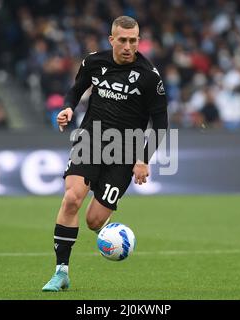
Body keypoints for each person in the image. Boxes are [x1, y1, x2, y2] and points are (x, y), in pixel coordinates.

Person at [42, 16, 168, 292]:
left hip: (124, 154)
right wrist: (67, 108)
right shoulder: (93, 62)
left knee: (93, 221)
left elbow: (160, 125)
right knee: (72, 198)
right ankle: (61, 272)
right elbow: (75, 90)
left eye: (133, 40)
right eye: (122, 40)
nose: (127, 46)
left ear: (138, 40)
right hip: (90, 140)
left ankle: (113, 231)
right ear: (111, 40)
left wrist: (143, 159)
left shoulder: (149, 76)